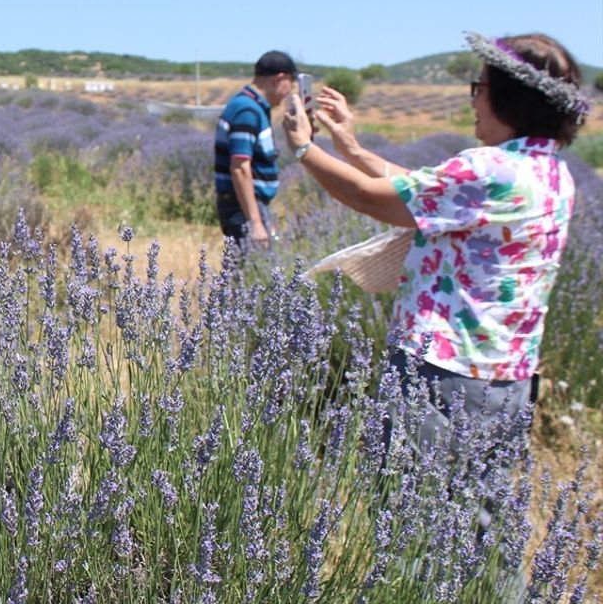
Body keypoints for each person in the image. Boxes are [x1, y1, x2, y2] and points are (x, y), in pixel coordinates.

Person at [280, 32, 589, 593]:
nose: (473, 99)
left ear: (511, 99)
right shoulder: (549, 172)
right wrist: (347, 141)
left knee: (413, 532)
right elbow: (431, 193)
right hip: (508, 384)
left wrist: (304, 148)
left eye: (481, 87)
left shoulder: (489, 169)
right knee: (485, 536)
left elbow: (378, 198)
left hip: (441, 381)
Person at [213, 50, 298, 249]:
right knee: (253, 273)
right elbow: (240, 167)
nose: (289, 92)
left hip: (249, 206)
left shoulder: (252, 107)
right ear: (280, 78)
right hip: (243, 208)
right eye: (290, 85)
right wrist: (256, 222)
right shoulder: (247, 110)